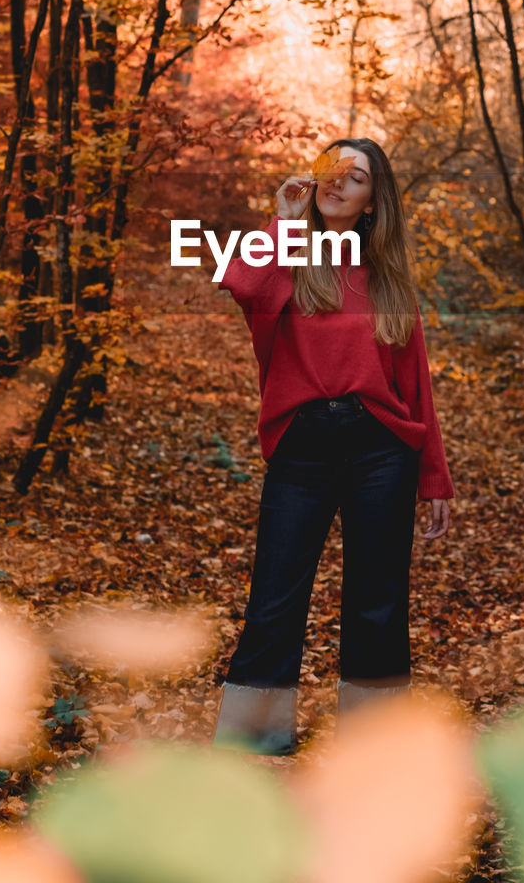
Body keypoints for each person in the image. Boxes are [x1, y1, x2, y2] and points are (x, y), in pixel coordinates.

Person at [210, 137, 454, 756]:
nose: (340, 182)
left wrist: (434, 479)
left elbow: (415, 384)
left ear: (373, 202)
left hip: (382, 448)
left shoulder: (389, 278)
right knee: (275, 592)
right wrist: (284, 219)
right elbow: (241, 284)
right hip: (303, 447)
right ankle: (256, 734)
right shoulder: (292, 253)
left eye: (358, 177)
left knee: (377, 598)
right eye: (332, 170)